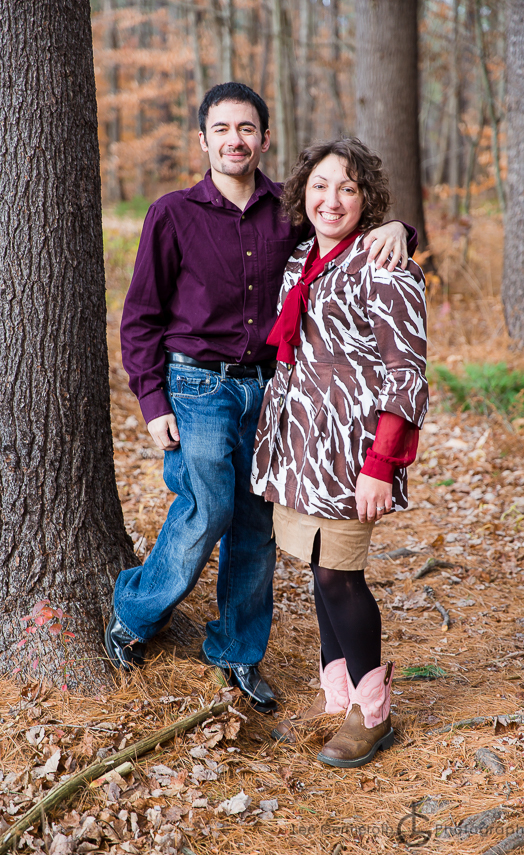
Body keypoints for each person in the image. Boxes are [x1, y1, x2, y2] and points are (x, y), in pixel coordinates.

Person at [105, 82, 416, 713]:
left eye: (246, 128)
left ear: (264, 139)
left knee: (256, 525)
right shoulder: (172, 212)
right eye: (221, 129)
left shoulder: (289, 208)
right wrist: (152, 400)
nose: (234, 140)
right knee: (211, 506)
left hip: (271, 391)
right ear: (203, 140)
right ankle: (136, 611)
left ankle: (238, 653)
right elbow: (139, 316)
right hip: (197, 384)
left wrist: (399, 229)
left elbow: (344, 232)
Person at [251, 138, 428, 762]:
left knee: (339, 574)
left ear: (367, 199)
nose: (331, 199)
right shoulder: (301, 257)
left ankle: (373, 711)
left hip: (352, 450)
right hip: (298, 443)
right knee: (316, 567)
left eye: (348, 188)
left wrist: (381, 465)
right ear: (303, 191)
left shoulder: (384, 264)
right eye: (321, 185)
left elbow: (407, 374)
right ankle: (338, 695)